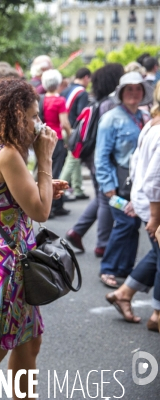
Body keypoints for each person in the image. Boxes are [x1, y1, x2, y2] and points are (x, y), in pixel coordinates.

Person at [0, 78, 67, 400]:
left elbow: (14, 202)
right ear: (15, 116)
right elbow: (40, 212)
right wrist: (45, 159)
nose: (37, 124)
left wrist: (41, 185)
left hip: (0, 261)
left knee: (29, 343)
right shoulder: (7, 155)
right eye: (33, 116)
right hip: (8, 268)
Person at [105, 84, 160, 330]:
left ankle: (124, 293)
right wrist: (155, 217)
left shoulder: (149, 121)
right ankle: (157, 314)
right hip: (153, 203)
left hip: (145, 199)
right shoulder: (154, 126)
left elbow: (138, 163)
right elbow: (155, 178)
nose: (134, 94)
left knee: (156, 253)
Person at [96, 71, 152, 289]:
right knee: (124, 224)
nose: (134, 93)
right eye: (129, 89)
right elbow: (101, 156)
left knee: (133, 224)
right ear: (121, 93)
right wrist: (108, 187)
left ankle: (125, 269)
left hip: (137, 185)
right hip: (118, 184)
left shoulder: (143, 117)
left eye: (138, 89)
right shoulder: (110, 119)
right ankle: (108, 268)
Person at [65, 63, 124, 257]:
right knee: (106, 199)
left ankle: (77, 231)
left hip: (92, 156)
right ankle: (102, 244)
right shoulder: (110, 105)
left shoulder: (98, 102)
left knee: (101, 197)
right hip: (102, 158)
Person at [41, 69, 72, 218]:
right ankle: (54, 205)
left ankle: (50, 204)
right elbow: (64, 122)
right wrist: (71, 136)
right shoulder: (60, 100)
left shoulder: (41, 100)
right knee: (56, 172)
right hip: (56, 139)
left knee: (45, 171)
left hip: (42, 138)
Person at [59, 68, 92, 201]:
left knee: (75, 158)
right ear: (86, 77)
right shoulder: (82, 93)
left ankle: (77, 188)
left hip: (63, 127)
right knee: (72, 159)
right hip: (73, 130)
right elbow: (82, 114)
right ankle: (59, 187)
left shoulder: (66, 89)